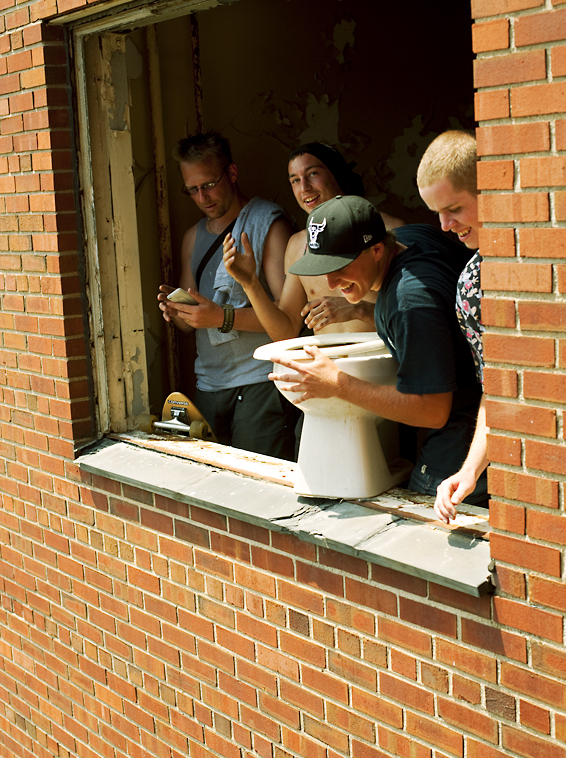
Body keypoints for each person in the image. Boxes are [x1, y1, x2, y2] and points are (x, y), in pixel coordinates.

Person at [268, 194, 485, 500]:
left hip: (464, 444)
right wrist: (360, 311)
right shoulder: (413, 238)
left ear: (377, 249)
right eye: (322, 267)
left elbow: (433, 410)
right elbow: (437, 320)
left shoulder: (409, 300)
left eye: (339, 265)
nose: (331, 282)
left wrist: (337, 384)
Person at [158, 130, 296, 459]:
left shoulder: (268, 223)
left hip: (260, 382)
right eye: (192, 189)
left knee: (261, 488)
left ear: (231, 174)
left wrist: (221, 317)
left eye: (208, 184)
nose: (202, 197)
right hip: (209, 384)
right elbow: (190, 327)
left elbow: (288, 320)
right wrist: (178, 312)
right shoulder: (193, 237)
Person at [222, 142, 405, 340]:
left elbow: (415, 314)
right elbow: (286, 331)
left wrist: (359, 309)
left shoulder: (387, 230)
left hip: (379, 363)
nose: (304, 187)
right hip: (326, 366)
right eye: (294, 180)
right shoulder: (297, 244)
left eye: (313, 174)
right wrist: (250, 284)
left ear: (336, 174)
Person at [417, 130, 488, 523]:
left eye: (454, 208)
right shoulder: (471, 283)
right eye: (436, 213)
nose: (445, 226)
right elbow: (498, 389)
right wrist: (470, 470)